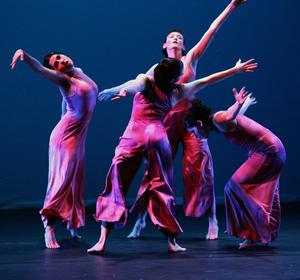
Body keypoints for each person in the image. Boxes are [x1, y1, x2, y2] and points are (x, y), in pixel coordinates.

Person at [100, 0, 248, 240]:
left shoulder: (190, 60)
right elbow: (139, 85)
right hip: (164, 124)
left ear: (184, 44)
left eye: (180, 37)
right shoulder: (157, 68)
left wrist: (231, 6)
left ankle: (213, 220)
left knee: (202, 168)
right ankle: (142, 220)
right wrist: (121, 91)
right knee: (155, 172)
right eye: (172, 37)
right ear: (165, 44)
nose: (177, 39)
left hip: (190, 123)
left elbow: (211, 31)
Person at [89, 57, 257, 254]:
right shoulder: (178, 91)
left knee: (117, 182)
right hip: (158, 136)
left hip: (134, 135)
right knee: (162, 187)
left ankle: (102, 241)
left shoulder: (146, 80)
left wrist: (114, 90)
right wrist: (234, 70)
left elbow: (133, 85)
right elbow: (208, 80)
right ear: (175, 78)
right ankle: (171, 242)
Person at [11, 49, 98, 249]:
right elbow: (41, 70)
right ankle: (48, 226)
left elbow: (65, 102)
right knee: (61, 181)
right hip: (65, 137)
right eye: (56, 62)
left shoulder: (79, 71)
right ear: (56, 70)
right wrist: (24, 55)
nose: (61, 61)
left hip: (78, 136)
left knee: (75, 182)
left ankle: (72, 223)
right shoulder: (63, 79)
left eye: (60, 57)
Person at [185, 87, 286, 249]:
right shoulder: (219, 122)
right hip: (273, 149)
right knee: (267, 191)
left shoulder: (218, 119)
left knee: (233, 187)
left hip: (268, 151)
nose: (195, 135)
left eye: (193, 131)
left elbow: (230, 115)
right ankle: (261, 234)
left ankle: (254, 232)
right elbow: (233, 116)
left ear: (199, 123)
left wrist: (238, 104)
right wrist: (242, 105)